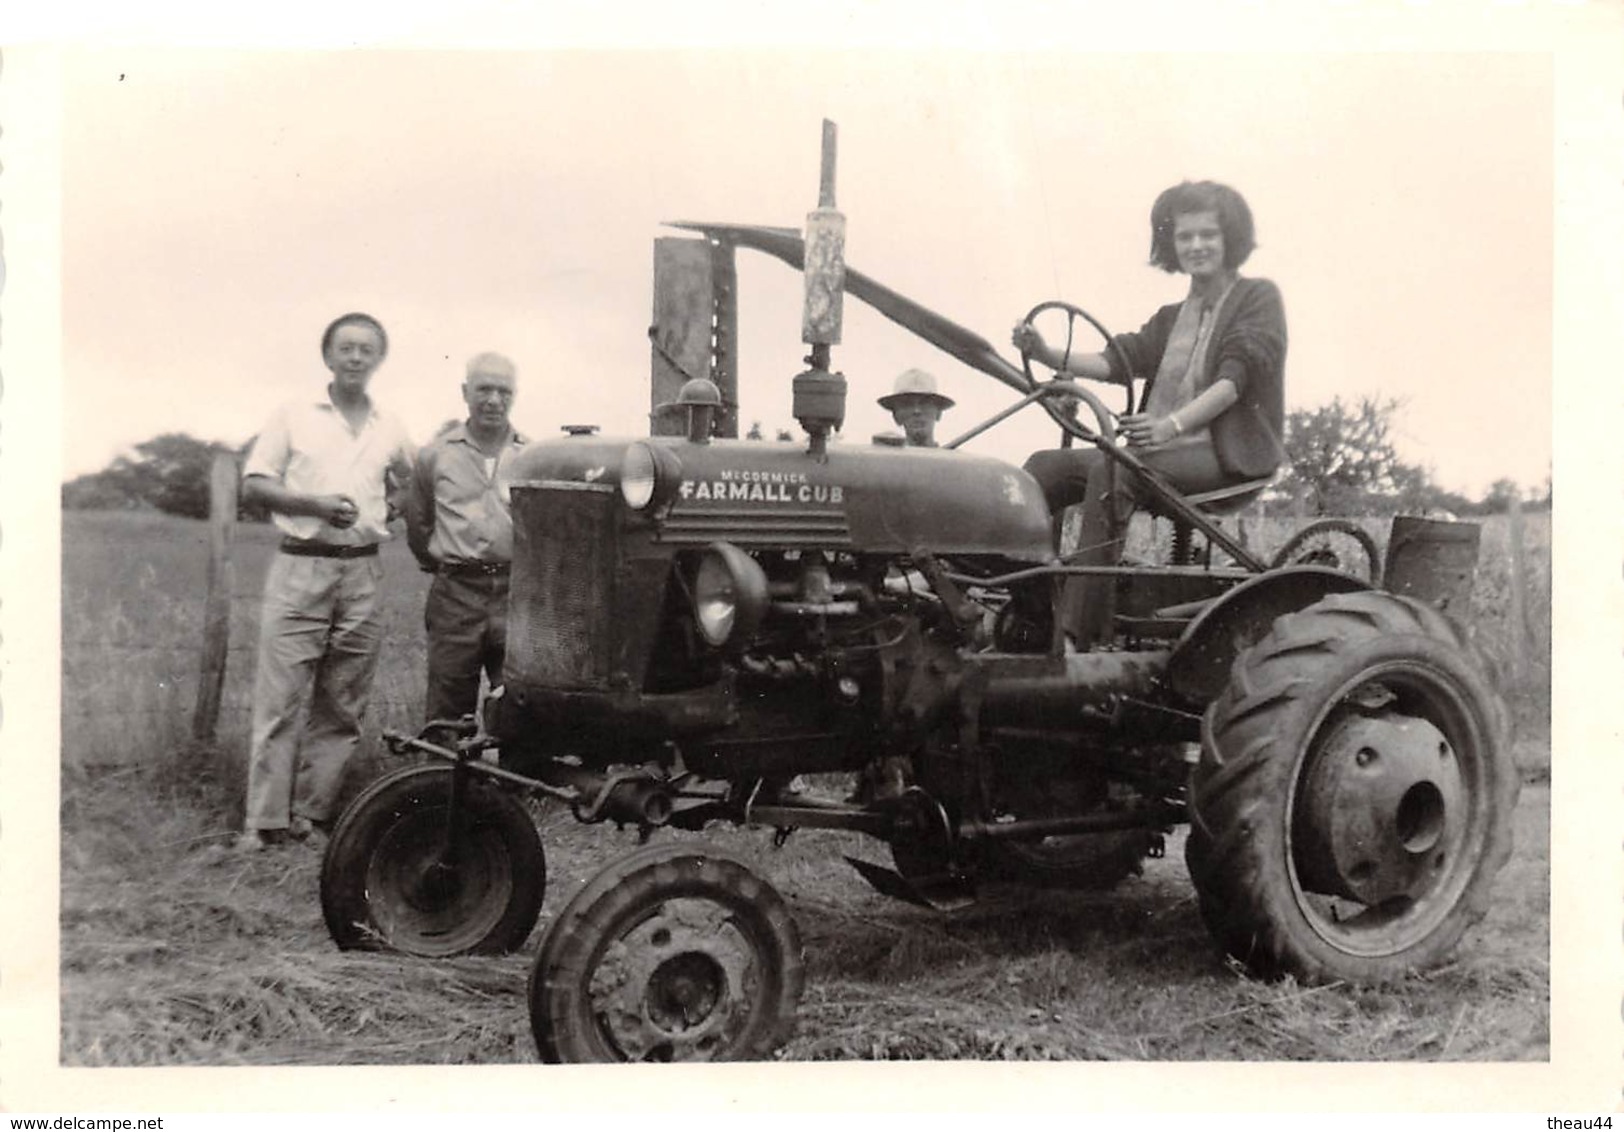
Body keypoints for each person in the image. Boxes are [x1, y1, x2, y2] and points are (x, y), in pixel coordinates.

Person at [1011, 180, 1287, 643]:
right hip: (1158, 452)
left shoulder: (1258, 298)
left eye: (1208, 234)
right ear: (1170, 244)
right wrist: (1044, 353)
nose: (1196, 246)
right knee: (1044, 468)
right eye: (1184, 236)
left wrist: (1168, 426)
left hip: (1224, 457)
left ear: (1230, 238)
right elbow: (1116, 362)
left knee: (1118, 470)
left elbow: (1232, 383)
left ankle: (1078, 637)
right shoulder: (1171, 316)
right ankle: (1027, 609)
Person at [236, 312, 415, 851]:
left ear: (378, 359)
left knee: (342, 702)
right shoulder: (294, 414)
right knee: (281, 700)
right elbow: (256, 483)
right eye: (347, 348)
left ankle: (309, 818)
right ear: (328, 356)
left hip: (362, 569)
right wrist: (312, 504)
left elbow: (411, 480)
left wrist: (392, 509)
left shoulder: (390, 424)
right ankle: (261, 823)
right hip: (301, 565)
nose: (356, 358)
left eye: (367, 350)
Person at [404, 352, 527, 727]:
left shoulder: (531, 455)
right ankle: (445, 785)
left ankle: (516, 786)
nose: (493, 400)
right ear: (465, 392)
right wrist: (448, 564)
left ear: (515, 395)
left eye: (503, 391)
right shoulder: (436, 455)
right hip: (456, 594)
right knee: (447, 708)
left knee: (522, 702)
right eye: (484, 389)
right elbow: (419, 524)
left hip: (516, 594)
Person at [878, 367, 954, 448]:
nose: (917, 411)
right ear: (896, 416)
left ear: (939, 412)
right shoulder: (885, 459)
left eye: (925, 403)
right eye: (907, 404)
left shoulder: (954, 460)